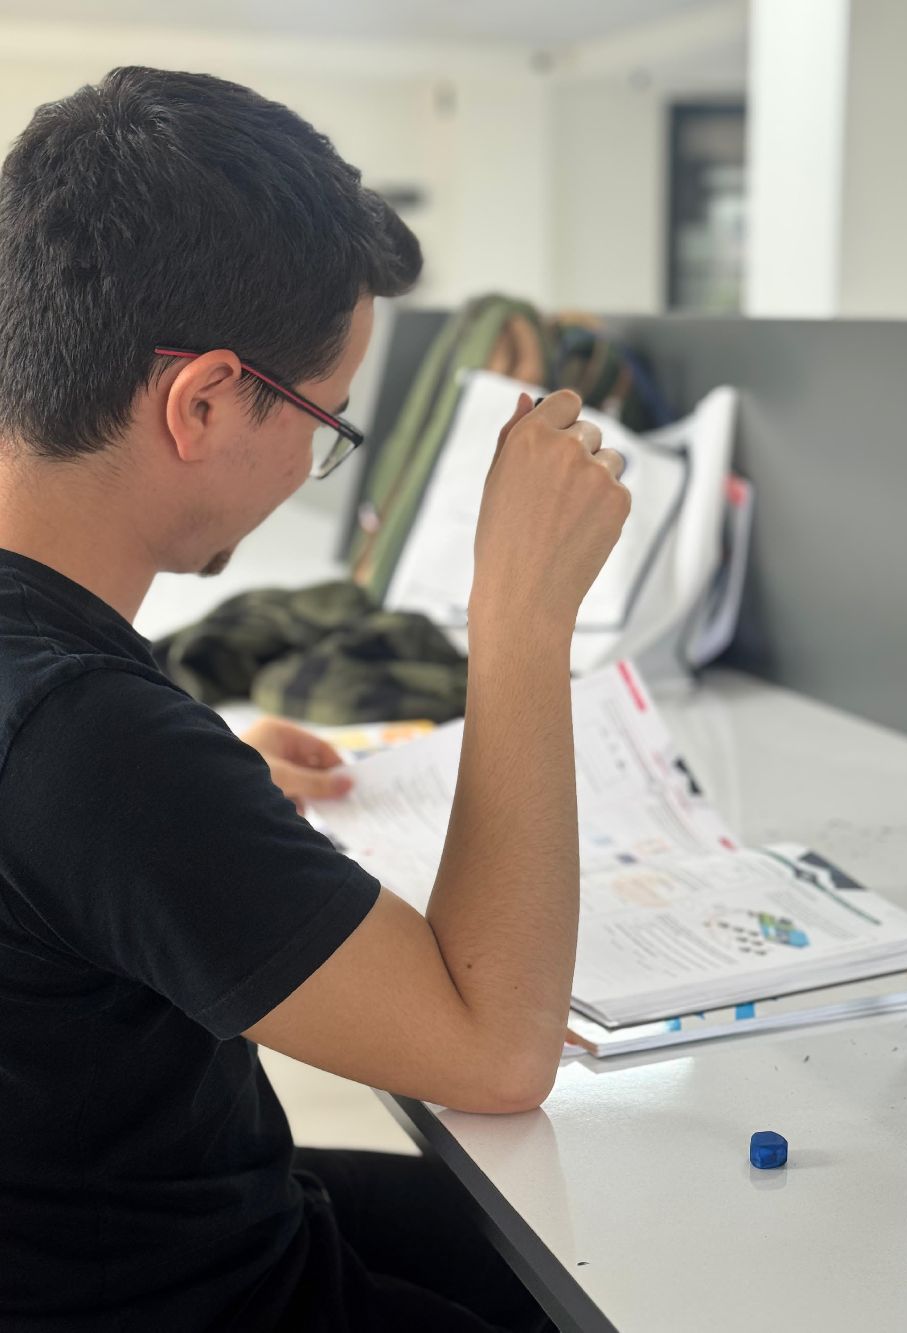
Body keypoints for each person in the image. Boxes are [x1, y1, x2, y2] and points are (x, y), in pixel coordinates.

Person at [0, 67, 630, 1331]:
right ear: (202, 399)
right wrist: (518, 617)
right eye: (325, 420)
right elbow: (497, 1051)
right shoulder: (95, 747)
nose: (312, 459)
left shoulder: (75, 715)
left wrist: (203, 788)